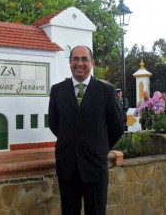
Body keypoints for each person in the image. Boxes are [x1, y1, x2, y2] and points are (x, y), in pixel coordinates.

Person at [48, 45, 124, 215]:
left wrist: (99, 146)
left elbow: (117, 126)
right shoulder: (58, 91)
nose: (79, 63)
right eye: (75, 59)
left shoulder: (106, 91)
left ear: (92, 63)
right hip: (67, 166)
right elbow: (54, 124)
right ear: (69, 62)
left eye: (84, 59)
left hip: (95, 165)